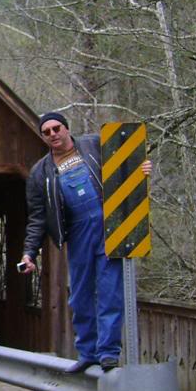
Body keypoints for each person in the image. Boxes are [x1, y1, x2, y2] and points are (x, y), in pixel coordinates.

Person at [19, 112, 151, 374]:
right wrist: (29, 253)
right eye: (46, 132)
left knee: (110, 291)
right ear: (43, 138)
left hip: (108, 226)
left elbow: (125, 168)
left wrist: (141, 170)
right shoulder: (40, 173)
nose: (53, 134)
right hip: (77, 233)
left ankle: (108, 353)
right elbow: (38, 218)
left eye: (57, 128)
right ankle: (88, 352)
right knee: (79, 295)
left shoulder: (94, 145)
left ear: (67, 128)